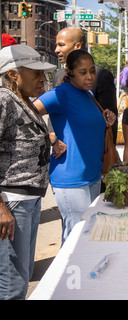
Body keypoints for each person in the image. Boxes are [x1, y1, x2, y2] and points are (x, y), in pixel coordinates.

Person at [34, 50, 116, 244]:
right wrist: (50, 137)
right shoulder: (60, 94)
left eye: (92, 71)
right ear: (70, 72)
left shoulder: (88, 94)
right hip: (70, 179)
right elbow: (25, 113)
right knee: (75, 240)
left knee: (87, 237)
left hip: (92, 176)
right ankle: (66, 275)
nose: (89, 76)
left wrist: (107, 121)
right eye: (83, 72)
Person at [0, 44, 56, 299]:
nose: (42, 79)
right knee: (13, 282)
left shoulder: (23, 100)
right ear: (13, 74)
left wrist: (50, 140)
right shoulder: (3, 99)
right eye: (36, 73)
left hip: (28, 200)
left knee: (22, 274)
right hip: (12, 202)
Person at [53, 27, 118, 143]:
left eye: (61, 45)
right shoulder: (58, 76)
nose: (56, 50)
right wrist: (54, 140)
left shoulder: (102, 76)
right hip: (63, 147)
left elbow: (110, 119)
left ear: (77, 46)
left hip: (92, 147)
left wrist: (108, 151)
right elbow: (52, 112)